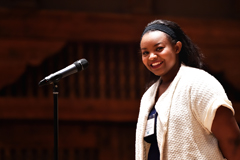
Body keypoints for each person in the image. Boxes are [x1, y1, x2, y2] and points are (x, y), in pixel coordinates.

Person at [135, 19, 240, 160]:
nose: (152, 56)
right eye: (145, 53)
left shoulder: (199, 83)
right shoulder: (148, 96)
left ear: (177, 48)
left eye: (159, 48)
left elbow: (232, 142)